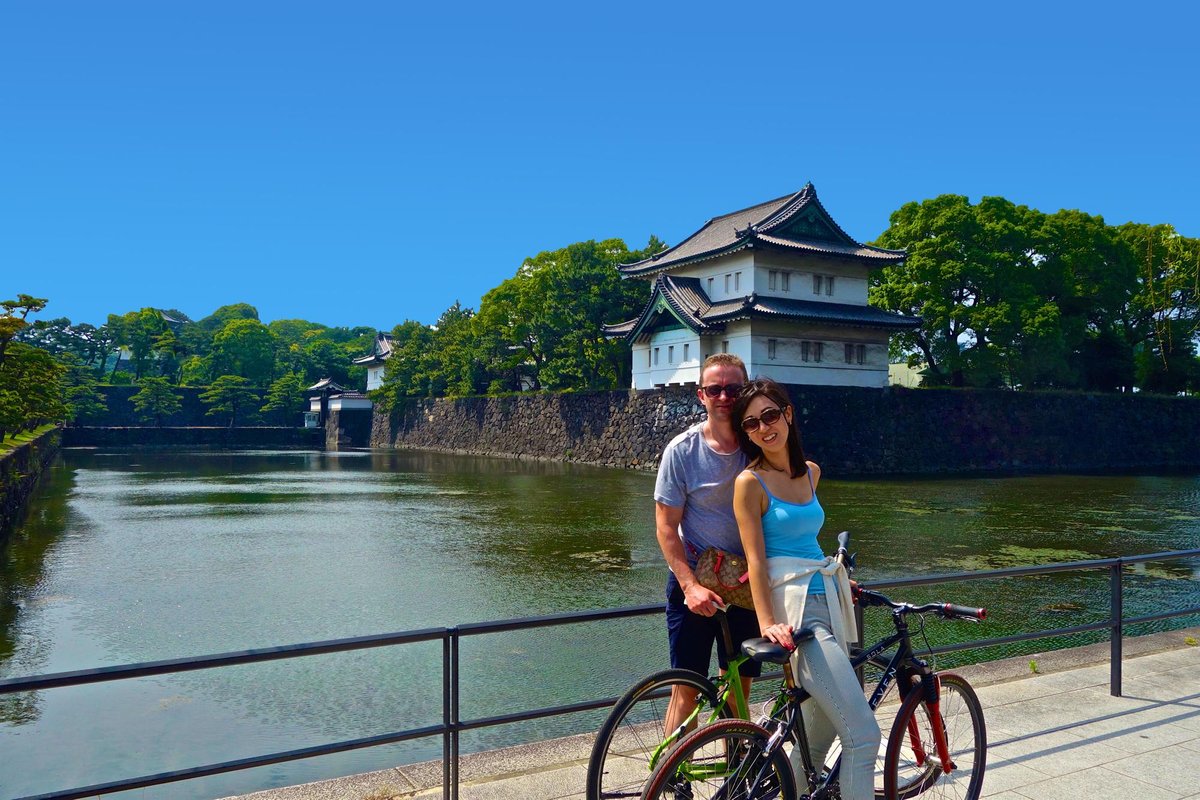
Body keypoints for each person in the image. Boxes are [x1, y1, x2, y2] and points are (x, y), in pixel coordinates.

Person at [731, 378, 879, 800]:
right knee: (863, 737)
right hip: (800, 616)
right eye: (752, 423)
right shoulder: (749, 483)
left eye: (770, 415)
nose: (764, 428)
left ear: (788, 414)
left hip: (831, 601)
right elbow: (756, 561)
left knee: (820, 735)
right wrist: (768, 623)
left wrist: (835, 574)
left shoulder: (811, 473)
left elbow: (808, 542)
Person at [654, 353, 762, 735]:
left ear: (745, 391)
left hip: (747, 584)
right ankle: (674, 780)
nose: (724, 396)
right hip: (696, 584)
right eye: (714, 389)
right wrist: (689, 586)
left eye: (733, 388)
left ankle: (736, 776)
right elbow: (666, 528)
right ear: (701, 395)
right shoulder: (682, 452)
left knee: (739, 686)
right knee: (686, 689)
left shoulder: (760, 444)